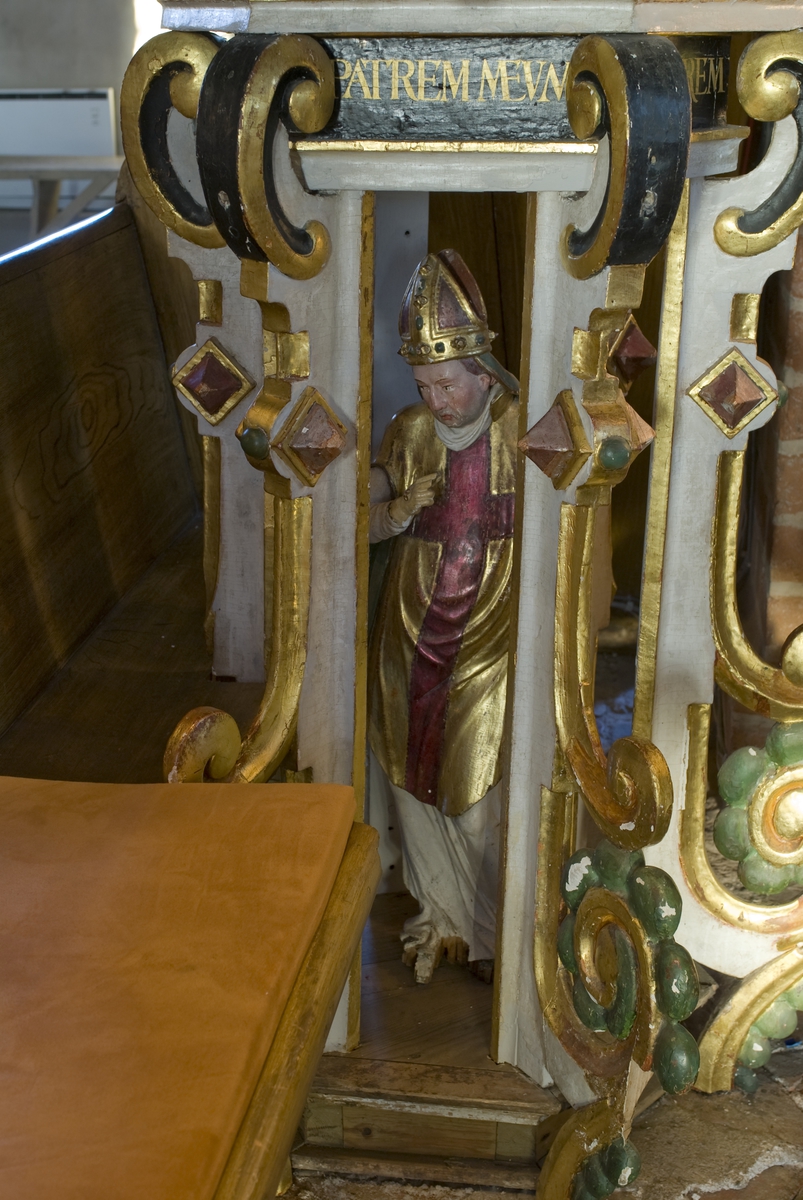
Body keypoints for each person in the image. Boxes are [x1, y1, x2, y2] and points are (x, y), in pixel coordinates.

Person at [368, 248, 519, 985]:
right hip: (408, 632)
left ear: (483, 375)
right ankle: (441, 918)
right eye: (425, 385)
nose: (437, 400)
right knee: (407, 771)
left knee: (477, 780)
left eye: (448, 384)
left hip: (490, 635)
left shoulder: (523, 432)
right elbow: (357, 522)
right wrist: (397, 510)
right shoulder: (410, 432)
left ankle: (491, 932)